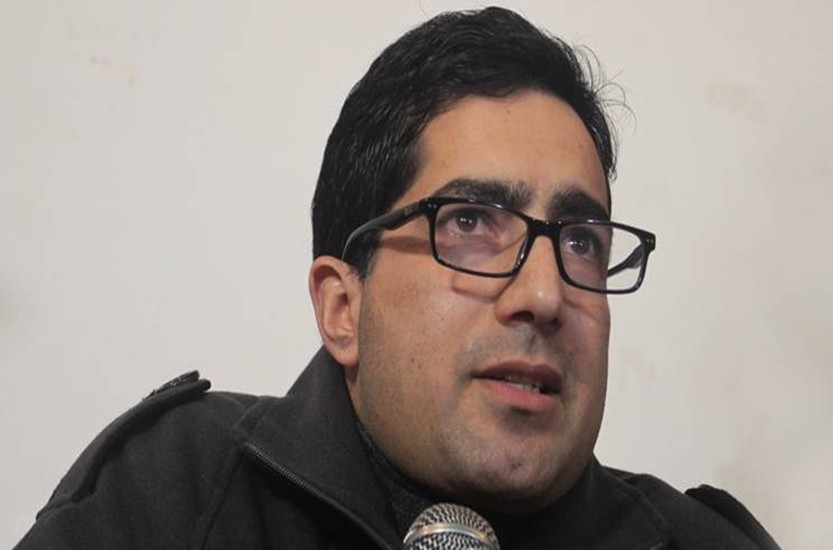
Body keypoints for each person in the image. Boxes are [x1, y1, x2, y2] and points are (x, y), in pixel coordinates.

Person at [16, 7, 779, 549]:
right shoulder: (174, 494)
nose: (545, 295)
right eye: (471, 223)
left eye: (580, 241)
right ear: (342, 308)